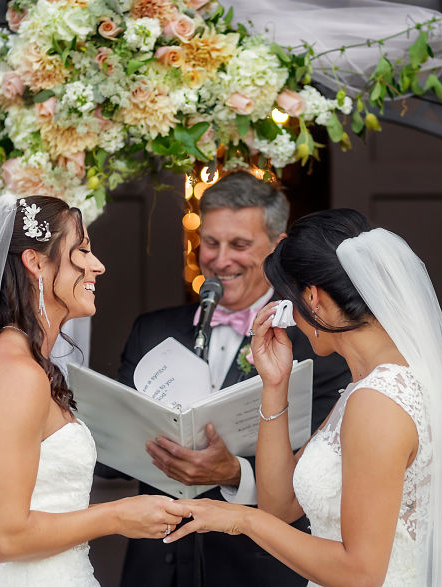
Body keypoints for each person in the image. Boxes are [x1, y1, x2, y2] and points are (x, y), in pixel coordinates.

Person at [165, 209, 442, 587]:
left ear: (313, 297)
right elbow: (280, 506)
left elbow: (360, 573)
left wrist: (240, 520)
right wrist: (274, 386)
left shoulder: (379, 401)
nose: (292, 320)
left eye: (288, 301)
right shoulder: (366, 387)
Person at [0, 195, 190, 586]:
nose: (98, 266)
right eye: (82, 251)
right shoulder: (16, 375)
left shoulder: (30, 366)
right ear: (35, 262)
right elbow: (2, 538)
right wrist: (118, 516)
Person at [98, 171, 352, 586]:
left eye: (239, 245)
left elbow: (323, 467)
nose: (220, 259)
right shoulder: (152, 330)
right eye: (210, 243)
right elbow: (108, 455)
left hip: (256, 570)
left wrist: (235, 472)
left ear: (277, 246)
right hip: (154, 570)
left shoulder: (316, 345)